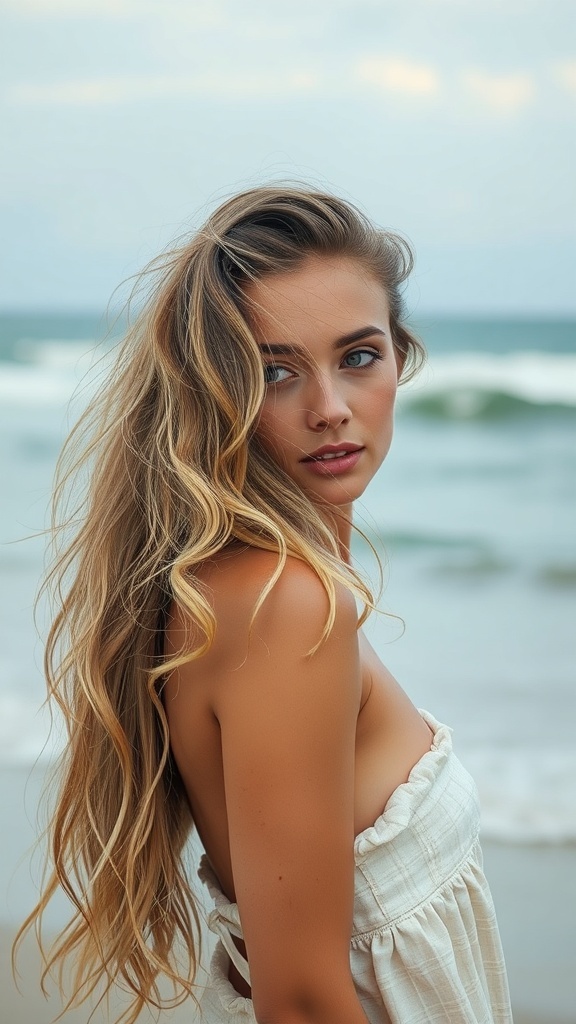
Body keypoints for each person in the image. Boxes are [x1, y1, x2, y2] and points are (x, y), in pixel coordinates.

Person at [15, 186, 513, 1024]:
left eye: (359, 356)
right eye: (275, 372)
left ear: (403, 356)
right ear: (217, 394)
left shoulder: (261, 587)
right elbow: (305, 1003)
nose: (329, 408)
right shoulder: (286, 604)